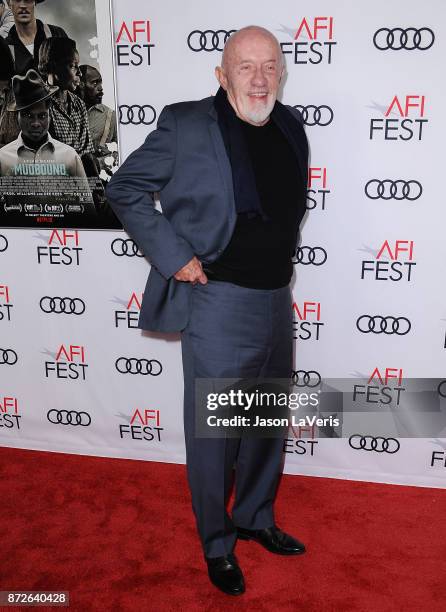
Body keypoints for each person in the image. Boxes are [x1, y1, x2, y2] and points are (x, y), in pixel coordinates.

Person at [106, 26, 309, 596]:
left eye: (270, 66)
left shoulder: (291, 125)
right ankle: (217, 543)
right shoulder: (186, 122)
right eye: (246, 67)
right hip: (217, 300)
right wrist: (175, 258)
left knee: (265, 421)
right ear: (222, 74)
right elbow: (124, 188)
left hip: (276, 300)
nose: (260, 78)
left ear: (282, 72)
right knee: (216, 433)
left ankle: (255, 517)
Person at [0, 69, 86, 178]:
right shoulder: (3, 159)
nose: (36, 124)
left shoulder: (69, 156)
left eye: (42, 116)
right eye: (29, 116)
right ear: (18, 116)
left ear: (50, 115)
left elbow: (85, 195)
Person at [38, 37, 95, 163]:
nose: (79, 73)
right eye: (73, 66)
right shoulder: (40, 105)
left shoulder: (78, 103)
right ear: (53, 66)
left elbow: (88, 153)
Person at [4, 0, 67, 75]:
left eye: (28, 0)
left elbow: (73, 73)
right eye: (17, 0)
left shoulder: (57, 34)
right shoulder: (5, 49)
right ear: (9, 3)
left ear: (35, 2)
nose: (23, 6)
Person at [77, 64, 117, 164]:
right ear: (80, 84)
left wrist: (102, 161)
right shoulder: (67, 112)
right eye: (94, 83)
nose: (100, 89)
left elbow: (121, 151)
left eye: (100, 83)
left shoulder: (111, 116)